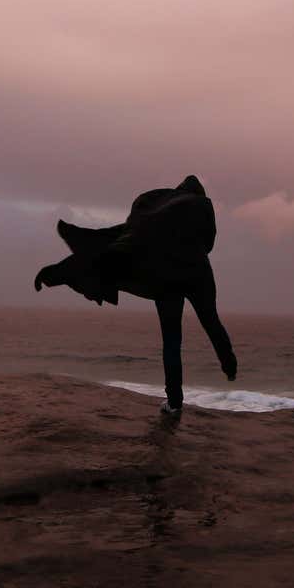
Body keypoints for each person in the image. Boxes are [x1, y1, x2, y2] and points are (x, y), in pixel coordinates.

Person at [34, 175, 236, 414]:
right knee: (211, 321)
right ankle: (229, 365)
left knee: (172, 341)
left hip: (167, 279)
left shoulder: (156, 208)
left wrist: (61, 268)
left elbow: (122, 236)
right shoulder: (203, 205)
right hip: (198, 274)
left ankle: (174, 402)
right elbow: (209, 242)